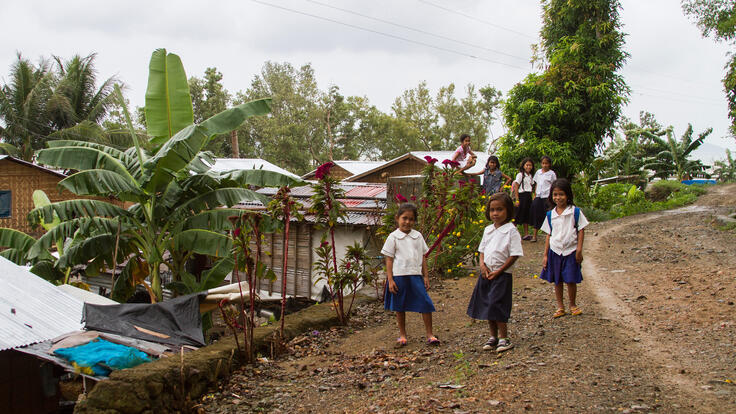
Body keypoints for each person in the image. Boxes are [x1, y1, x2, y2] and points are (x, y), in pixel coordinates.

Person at [467, 193, 523, 353]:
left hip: (502, 275)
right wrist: (482, 266)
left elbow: (514, 255)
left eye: (499, 209)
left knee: (497, 305)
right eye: (492, 210)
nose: (495, 213)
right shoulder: (488, 230)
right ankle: (493, 336)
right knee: (487, 304)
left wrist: (499, 271)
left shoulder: (511, 231)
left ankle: (504, 338)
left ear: (508, 211)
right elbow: (482, 250)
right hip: (486, 274)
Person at [382, 203, 440, 347]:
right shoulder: (393, 237)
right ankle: (402, 335)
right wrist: (390, 280)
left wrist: (426, 276)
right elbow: (388, 259)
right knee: (399, 306)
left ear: (415, 221)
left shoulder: (418, 236)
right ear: (397, 218)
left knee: (425, 303)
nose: (407, 222)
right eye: (404, 218)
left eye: (411, 219)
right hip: (399, 277)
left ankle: (430, 334)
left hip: (415, 276)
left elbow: (423, 257)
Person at [539, 178, 589, 318]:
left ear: (568, 195)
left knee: (571, 279)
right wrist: (545, 255)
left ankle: (572, 304)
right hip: (555, 251)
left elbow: (581, 230)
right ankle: (560, 307)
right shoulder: (550, 215)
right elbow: (549, 235)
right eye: (555, 194)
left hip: (571, 251)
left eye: (561, 194)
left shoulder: (575, 212)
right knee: (557, 280)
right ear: (551, 196)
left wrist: (579, 250)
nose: (558, 197)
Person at [529, 156, 557, 242]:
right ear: (541, 164)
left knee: (548, 214)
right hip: (538, 196)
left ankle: (552, 235)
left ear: (549, 164)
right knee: (536, 214)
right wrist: (535, 194)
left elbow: (554, 185)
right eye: (543, 163)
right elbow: (536, 184)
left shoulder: (552, 174)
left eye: (546, 163)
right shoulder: (538, 172)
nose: (545, 165)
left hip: (547, 197)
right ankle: (534, 235)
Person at [512, 157, 535, 240]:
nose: (528, 167)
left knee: (526, 215)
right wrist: (517, 199)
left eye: (530, 165)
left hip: (528, 196)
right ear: (523, 166)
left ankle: (526, 234)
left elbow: (532, 186)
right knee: (517, 215)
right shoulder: (520, 175)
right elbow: (516, 186)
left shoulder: (530, 176)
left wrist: (532, 196)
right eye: (527, 165)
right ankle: (512, 233)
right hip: (522, 196)